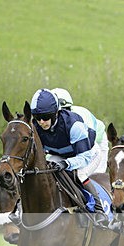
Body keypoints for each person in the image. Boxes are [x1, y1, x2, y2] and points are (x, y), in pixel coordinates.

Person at [30, 88, 108, 226]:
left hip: (88, 153)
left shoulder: (73, 125)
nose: (42, 122)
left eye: (46, 117)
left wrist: (66, 164)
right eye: (37, 118)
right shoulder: (36, 127)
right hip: (61, 155)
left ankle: (98, 210)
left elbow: (84, 157)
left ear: (55, 113)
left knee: (79, 173)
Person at [51, 88, 108, 174]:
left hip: (95, 145)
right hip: (72, 147)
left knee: (86, 175)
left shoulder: (79, 121)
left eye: (64, 111)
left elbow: (85, 154)